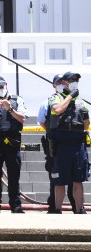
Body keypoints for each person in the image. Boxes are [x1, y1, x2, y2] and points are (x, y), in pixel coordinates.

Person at [46, 71, 88, 214]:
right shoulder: (55, 97)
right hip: (61, 145)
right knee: (59, 180)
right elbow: (57, 110)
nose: (75, 82)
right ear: (64, 82)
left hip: (77, 145)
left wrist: (84, 113)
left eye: (76, 79)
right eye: (72, 79)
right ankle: (57, 210)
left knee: (78, 180)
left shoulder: (80, 100)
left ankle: (80, 209)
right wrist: (70, 96)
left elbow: (86, 125)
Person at [0, 76, 27, 213]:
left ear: (6, 85)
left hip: (12, 141)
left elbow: (22, 118)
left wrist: (9, 109)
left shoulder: (17, 100)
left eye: (1, 86)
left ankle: (16, 206)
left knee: (14, 176)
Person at [38, 74, 76, 213]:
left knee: (74, 177)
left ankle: (76, 206)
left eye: (62, 82)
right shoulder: (48, 101)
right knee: (55, 177)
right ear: (53, 85)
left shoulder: (74, 99)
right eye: (57, 82)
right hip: (55, 144)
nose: (60, 84)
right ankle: (54, 206)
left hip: (71, 143)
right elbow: (42, 121)